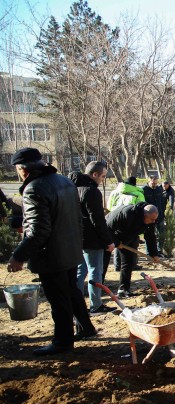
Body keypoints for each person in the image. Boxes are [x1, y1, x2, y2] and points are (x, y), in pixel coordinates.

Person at [6, 147, 96, 355]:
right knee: (72, 291)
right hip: (71, 249)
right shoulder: (64, 181)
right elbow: (64, 216)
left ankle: (62, 342)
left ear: (23, 170)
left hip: (52, 255)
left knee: (59, 299)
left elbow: (39, 231)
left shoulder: (33, 189)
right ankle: (86, 327)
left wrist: (19, 256)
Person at [73, 161, 116, 315]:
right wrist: (108, 241)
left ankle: (75, 304)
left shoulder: (75, 188)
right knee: (95, 272)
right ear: (95, 174)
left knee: (80, 271)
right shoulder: (91, 191)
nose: (103, 179)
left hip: (78, 237)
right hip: (92, 239)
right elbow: (97, 219)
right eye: (103, 176)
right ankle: (96, 305)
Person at [104, 202, 160, 298]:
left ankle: (123, 289)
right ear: (144, 215)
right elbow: (106, 228)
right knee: (103, 262)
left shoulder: (150, 221)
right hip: (109, 234)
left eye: (155, 219)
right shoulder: (127, 213)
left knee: (129, 262)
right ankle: (98, 288)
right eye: (151, 219)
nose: (153, 222)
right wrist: (116, 242)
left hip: (130, 236)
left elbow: (150, 236)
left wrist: (154, 254)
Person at [143, 175, 165, 256]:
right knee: (149, 235)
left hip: (159, 216)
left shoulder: (159, 189)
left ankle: (159, 251)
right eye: (153, 183)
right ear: (149, 181)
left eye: (156, 183)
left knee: (162, 234)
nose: (154, 185)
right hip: (149, 217)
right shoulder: (144, 190)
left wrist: (163, 214)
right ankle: (149, 253)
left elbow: (162, 202)